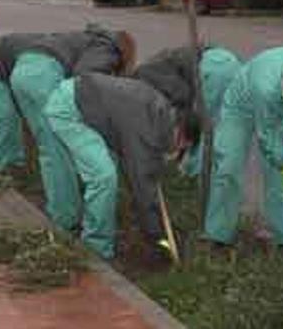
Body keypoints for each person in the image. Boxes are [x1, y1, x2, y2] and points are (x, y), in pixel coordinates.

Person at [0, 26, 136, 231]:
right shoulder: (108, 49)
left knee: (51, 147)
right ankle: (64, 218)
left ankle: (65, 211)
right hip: (42, 75)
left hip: (24, 73)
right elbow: (85, 77)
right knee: (57, 148)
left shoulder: (86, 38)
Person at [43, 70, 201, 259]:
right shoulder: (146, 129)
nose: (177, 150)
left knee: (109, 168)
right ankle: (95, 249)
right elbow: (142, 183)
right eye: (182, 146)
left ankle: (80, 224)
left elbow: (145, 163)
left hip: (84, 99)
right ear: (181, 132)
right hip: (69, 109)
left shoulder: (160, 114)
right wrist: (157, 235)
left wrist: (152, 172)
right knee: (104, 176)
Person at [202, 47, 283, 249]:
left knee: (277, 177)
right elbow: (267, 139)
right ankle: (218, 236)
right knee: (229, 168)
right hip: (241, 106)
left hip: (279, 107)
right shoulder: (265, 88)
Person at [134, 45, 243, 177]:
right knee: (220, 128)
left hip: (211, 69)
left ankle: (193, 177)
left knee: (206, 131)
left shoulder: (143, 75)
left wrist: (183, 129)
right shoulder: (147, 76)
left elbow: (181, 94)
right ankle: (209, 175)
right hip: (226, 61)